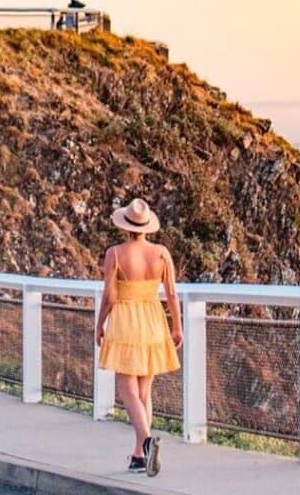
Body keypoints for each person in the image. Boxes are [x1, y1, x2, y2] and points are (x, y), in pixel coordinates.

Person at [96, 198, 183, 477]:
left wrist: (100, 323)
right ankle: (138, 457)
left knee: (128, 391)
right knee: (144, 392)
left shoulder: (116, 253)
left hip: (125, 320)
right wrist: (177, 327)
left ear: (125, 225)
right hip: (153, 320)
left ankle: (147, 441)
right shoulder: (161, 254)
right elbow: (171, 293)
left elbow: (109, 295)